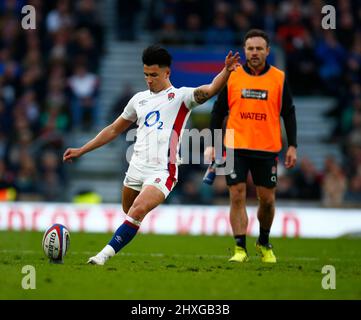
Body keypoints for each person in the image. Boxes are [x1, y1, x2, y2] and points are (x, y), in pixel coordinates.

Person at [63, 45, 240, 265]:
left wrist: (226, 71)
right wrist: (82, 150)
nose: (149, 79)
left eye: (154, 75)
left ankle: (102, 256)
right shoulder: (138, 100)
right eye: (146, 74)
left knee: (136, 210)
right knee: (130, 212)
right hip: (136, 167)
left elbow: (211, 89)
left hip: (163, 170)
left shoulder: (181, 97)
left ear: (167, 72)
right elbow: (113, 129)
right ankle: (128, 231)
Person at [204, 29, 297, 263]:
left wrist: (293, 145)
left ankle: (263, 241)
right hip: (235, 146)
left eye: (258, 48)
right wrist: (214, 143)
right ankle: (239, 248)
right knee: (237, 195)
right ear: (244, 51)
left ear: (267, 51)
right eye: (250, 48)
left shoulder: (279, 77)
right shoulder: (232, 75)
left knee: (267, 200)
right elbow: (218, 111)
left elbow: (289, 112)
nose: (254, 53)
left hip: (267, 148)